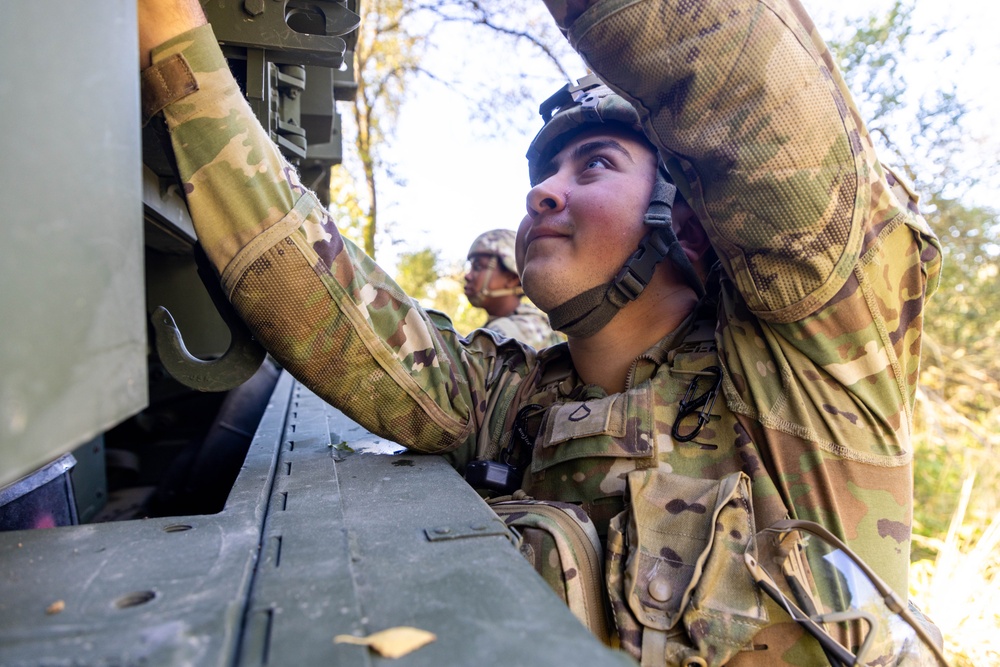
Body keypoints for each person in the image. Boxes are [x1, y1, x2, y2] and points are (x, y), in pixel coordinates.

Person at [137, 0, 947, 664]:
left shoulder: (809, 368)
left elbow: (746, 81)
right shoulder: (514, 397)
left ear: (689, 220)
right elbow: (331, 305)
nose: (543, 195)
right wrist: (179, 51)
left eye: (592, 165)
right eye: (543, 176)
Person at [464, 228, 563, 349]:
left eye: (478, 266)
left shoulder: (505, 334)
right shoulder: (532, 323)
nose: (467, 276)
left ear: (511, 279)